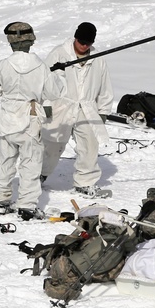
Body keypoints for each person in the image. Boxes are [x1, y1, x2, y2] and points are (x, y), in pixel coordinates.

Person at [0, 22, 65, 221]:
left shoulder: (0, 67)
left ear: (10, 42)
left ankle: (2, 200)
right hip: (30, 121)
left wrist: (7, 95)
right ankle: (27, 206)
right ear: (31, 40)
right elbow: (54, 93)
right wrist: (57, 74)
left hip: (7, 121)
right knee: (31, 165)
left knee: (4, 162)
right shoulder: (42, 67)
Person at [41, 22, 114, 198]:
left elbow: (105, 87)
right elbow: (44, 82)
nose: (84, 45)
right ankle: (38, 175)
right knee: (52, 143)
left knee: (90, 144)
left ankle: (85, 182)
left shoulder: (98, 58)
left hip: (87, 108)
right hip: (61, 106)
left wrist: (103, 111)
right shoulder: (58, 53)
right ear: (75, 37)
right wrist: (46, 106)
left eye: (88, 43)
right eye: (81, 41)